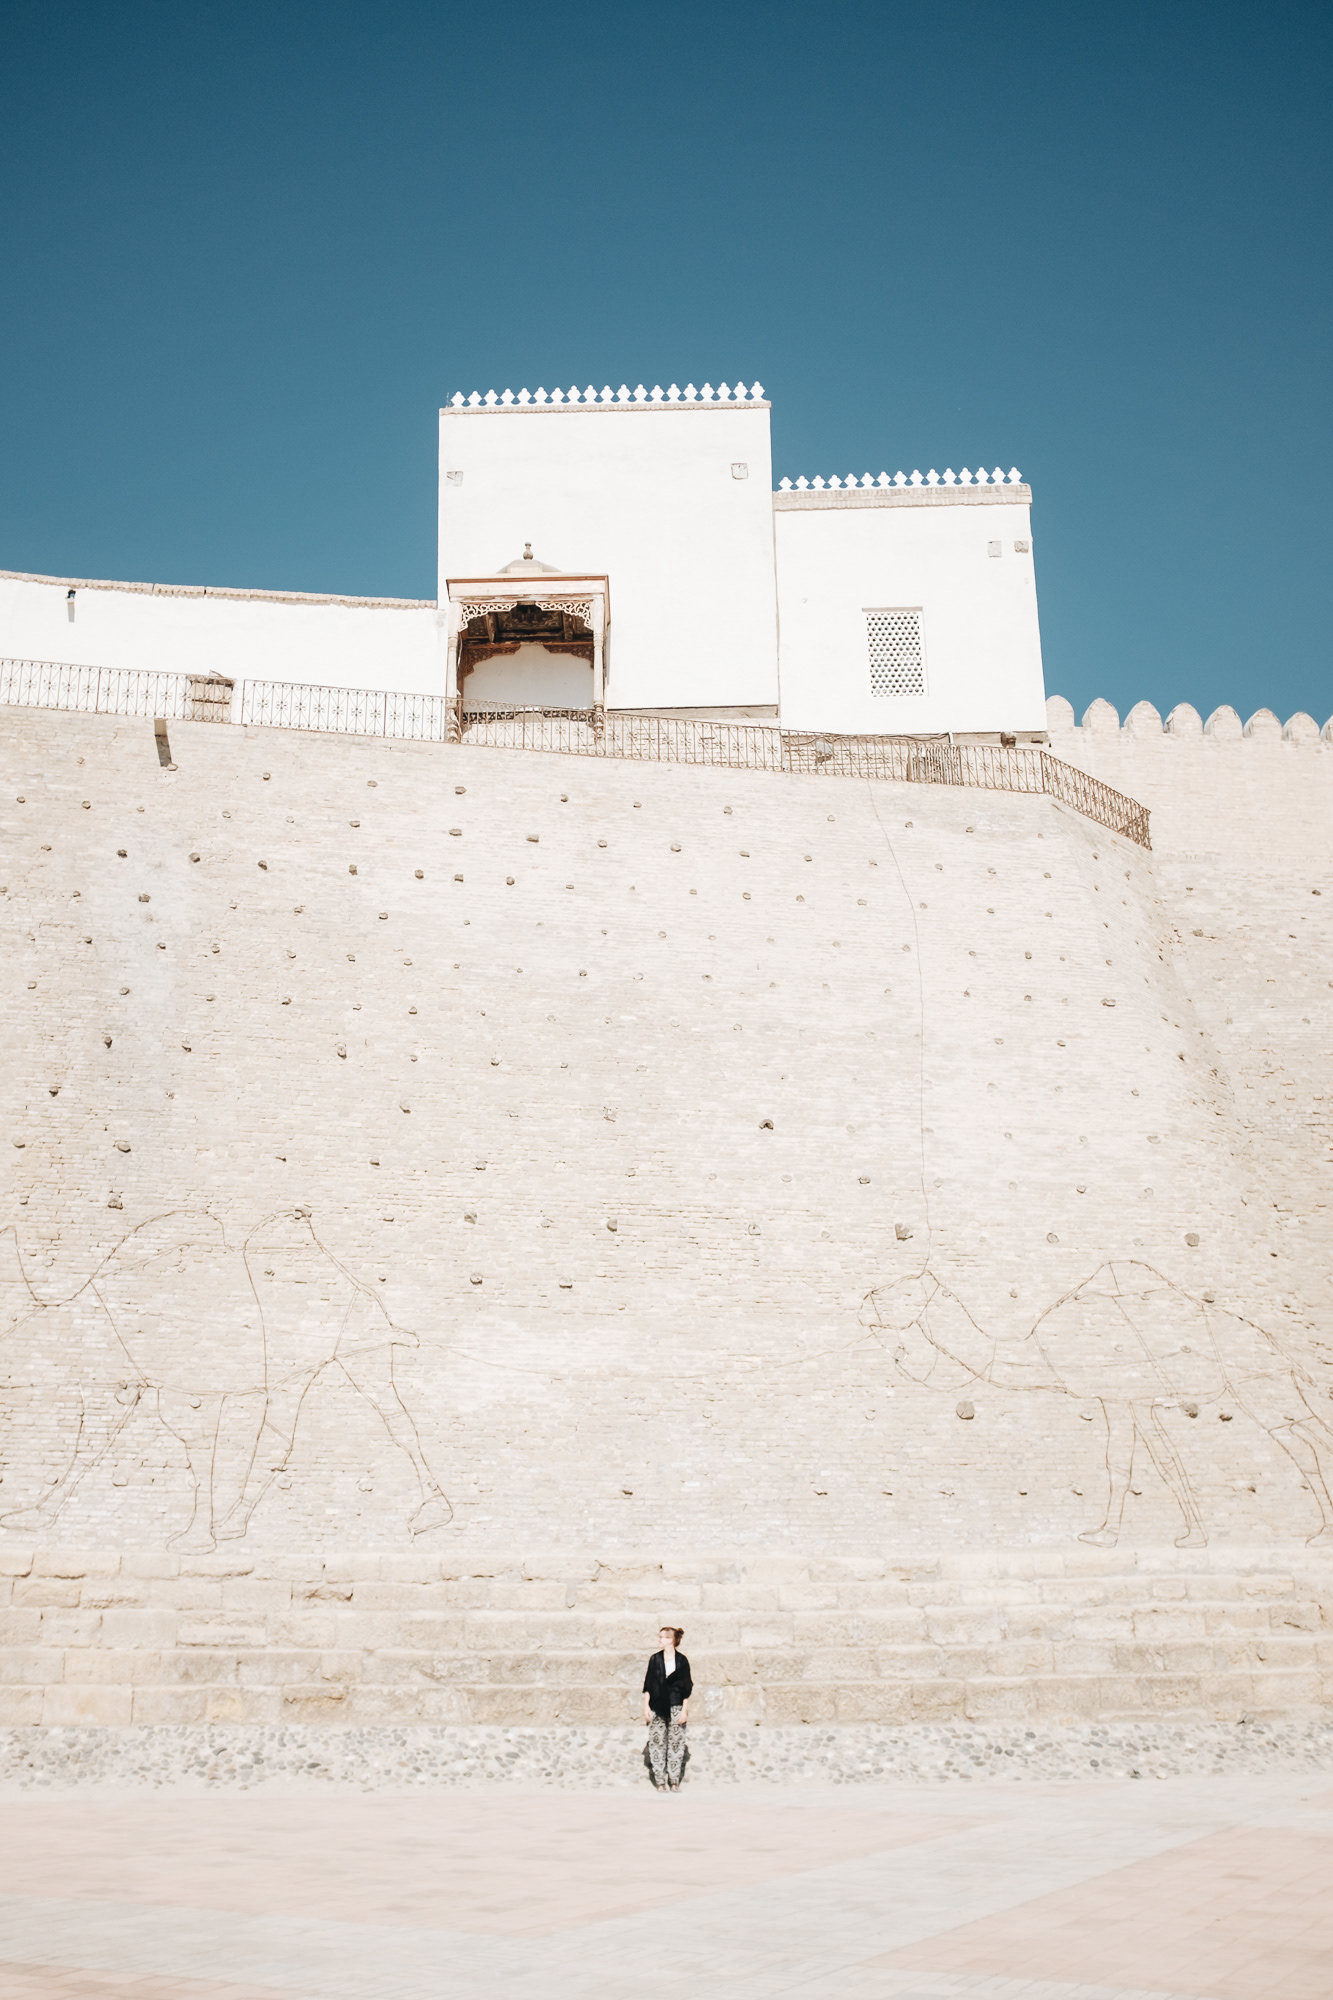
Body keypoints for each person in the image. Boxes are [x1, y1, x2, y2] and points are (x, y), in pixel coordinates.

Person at [642, 1624, 692, 1791]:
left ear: (670, 1640)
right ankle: (660, 1781)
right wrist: (646, 1707)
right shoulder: (655, 1660)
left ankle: (674, 1780)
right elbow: (648, 1684)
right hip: (657, 1705)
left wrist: (684, 1710)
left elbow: (687, 1688)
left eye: (662, 1637)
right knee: (656, 1742)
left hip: (676, 1705)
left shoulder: (682, 1661)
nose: (659, 1640)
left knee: (676, 1743)